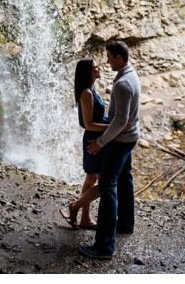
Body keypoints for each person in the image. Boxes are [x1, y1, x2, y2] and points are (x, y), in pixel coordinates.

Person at [79, 40, 141, 260]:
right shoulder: (131, 75)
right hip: (129, 137)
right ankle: (125, 224)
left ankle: (104, 246)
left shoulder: (123, 84)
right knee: (125, 179)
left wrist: (101, 142)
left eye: (108, 57)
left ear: (118, 58)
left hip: (121, 139)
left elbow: (120, 121)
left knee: (106, 185)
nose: (106, 61)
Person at [59, 58, 130, 230]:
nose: (99, 68)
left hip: (97, 139)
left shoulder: (90, 90)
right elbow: (88, 124)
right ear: (87, 72)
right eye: (95, 67)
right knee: (105, 183)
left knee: (91, 178)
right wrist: (116, 128)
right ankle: (74, 206)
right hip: (94, 141)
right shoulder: (87, 93)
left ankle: (84, 218)